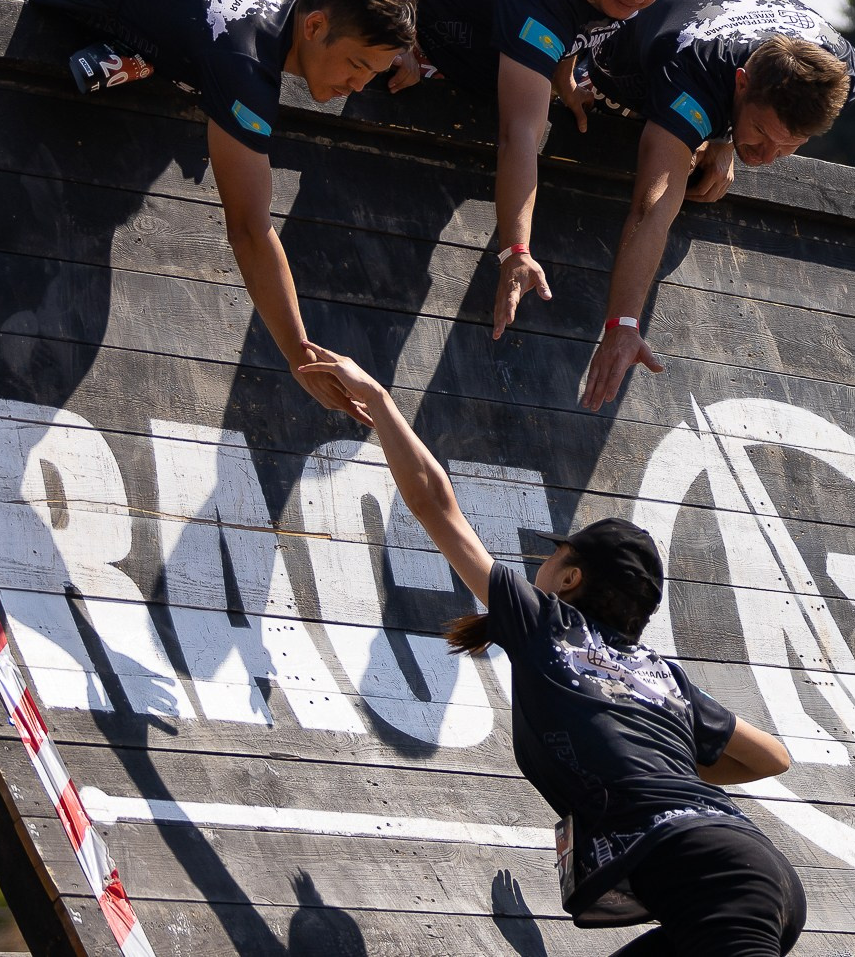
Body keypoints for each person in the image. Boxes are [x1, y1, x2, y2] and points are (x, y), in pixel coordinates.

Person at [297, 350, 805, 955]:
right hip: (758, 875)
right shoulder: (660, 678)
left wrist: (380, 403)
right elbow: (772, 757)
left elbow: (436, 504)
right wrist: (662, 761)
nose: (541, 565)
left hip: (714, 877)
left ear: (570, 580)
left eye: (555, 557)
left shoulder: (546, 624)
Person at [0, 0, 417, 419]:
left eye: (371, 74)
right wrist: (300, 353)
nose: (358, 86)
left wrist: (165, 6)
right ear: (316, 27)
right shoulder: (244, 60)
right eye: (357, 66)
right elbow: (250, 230)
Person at [383, 0, 698, 340]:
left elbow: (583, 15)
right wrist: (515, 250)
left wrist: (564, 75)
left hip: (480, 60)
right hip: (404, 45)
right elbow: (520, 132)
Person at [559, 0, 855, 410]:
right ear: (741, 85)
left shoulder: (844, 70)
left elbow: (755, 123)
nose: (766, 156)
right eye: (760, 133)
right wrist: (623, 323)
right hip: (607, 74)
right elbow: (652, 208)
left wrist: (726, 136)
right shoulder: (695, 67)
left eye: (790, 146)